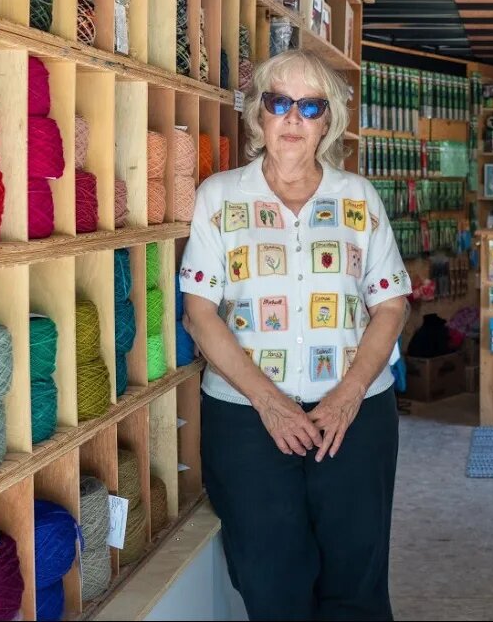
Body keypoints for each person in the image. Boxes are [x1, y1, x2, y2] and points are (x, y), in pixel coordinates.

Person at [179, 49, 410, 620]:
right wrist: (272, 403)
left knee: (356, 578)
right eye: (278, 102)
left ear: (327, 120)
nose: (293, 119)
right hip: (247, 418)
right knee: (269, 580)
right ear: (259, 115)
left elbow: (391, 304)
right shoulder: (219, 196)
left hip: (356, 414)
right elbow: (199, 311)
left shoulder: (358, 197)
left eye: (310, 106)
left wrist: (349, 392)